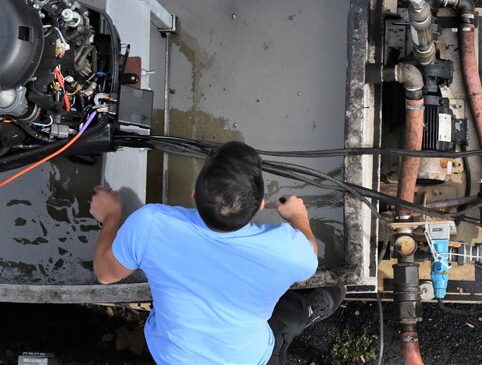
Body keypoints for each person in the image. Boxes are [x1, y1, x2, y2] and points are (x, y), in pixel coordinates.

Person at [90, 141, 346, 364]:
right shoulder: (283, 248)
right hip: (246, 359)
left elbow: (105, 274)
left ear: (194, 193)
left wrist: (112, 215)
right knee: (286, 316)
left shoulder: (150, 223)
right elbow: (309, 258)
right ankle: (307, 312)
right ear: (260, 205)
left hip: (174, 357)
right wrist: (299, 216)